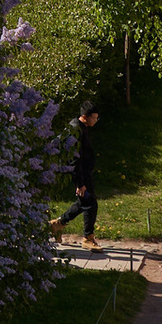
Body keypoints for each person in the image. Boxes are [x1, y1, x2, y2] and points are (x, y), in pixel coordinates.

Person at [57, 106, 102, 247]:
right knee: (90, 204)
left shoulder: (81, 127)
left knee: (84, 203)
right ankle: (88, 238)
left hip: (84, 172)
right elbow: (74, 159)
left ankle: (57, 224)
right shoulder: (76, 130)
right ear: (85, 116)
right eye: (94, 117)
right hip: (80, 173)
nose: (95, 121)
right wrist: (80, 183)